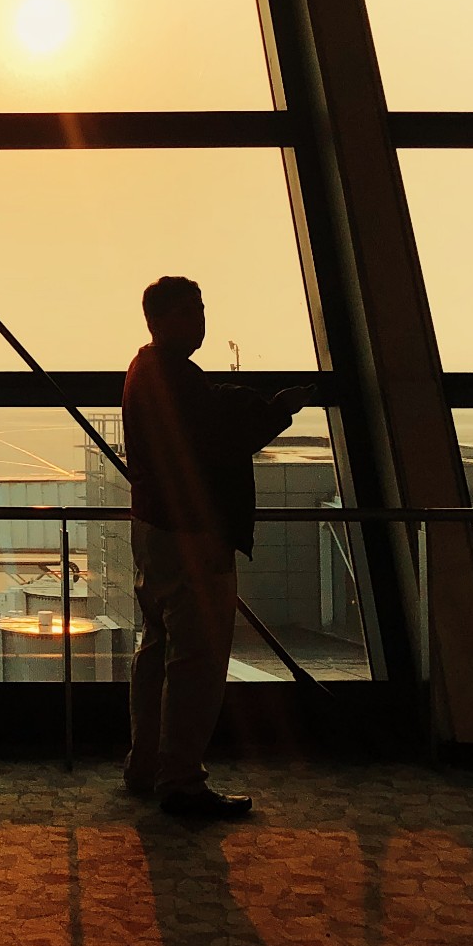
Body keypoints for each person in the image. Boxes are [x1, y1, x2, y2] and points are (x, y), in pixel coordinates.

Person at [120, 276, 310, 819]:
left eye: (200, 309)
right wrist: (277, 412)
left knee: (158, 648)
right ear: (159, 320)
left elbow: (205, 413)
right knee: (196, 661)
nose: (200, 320)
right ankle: (181, 780)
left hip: (154, 529)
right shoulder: (176, 379)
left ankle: (146, 762)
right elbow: (220, 440)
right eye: (188, 311)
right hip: (193, 535)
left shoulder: (146, 370)